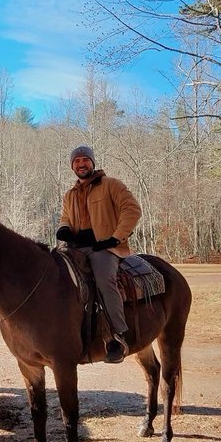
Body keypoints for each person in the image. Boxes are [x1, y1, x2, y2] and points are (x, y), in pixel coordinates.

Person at [56, 146, 142, 364]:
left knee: (104, 279)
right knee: (54, 274)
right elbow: (65, 218)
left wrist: (115, 238)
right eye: (77, 161)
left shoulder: (111, 185)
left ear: (92, 163)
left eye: (85, 160)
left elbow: (132, 209)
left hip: (104, 248)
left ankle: (117, 336)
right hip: (76, 247)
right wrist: (64, 229)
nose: (81, 164)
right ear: (72, 166)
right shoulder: (70, 195)